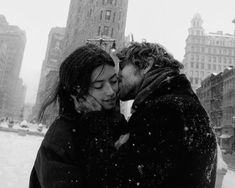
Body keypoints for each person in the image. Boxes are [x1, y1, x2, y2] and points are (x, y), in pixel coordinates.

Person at [115, 42, 217, 187]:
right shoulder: (181, 104)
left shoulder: (164, 111)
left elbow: (130, 180)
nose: (118, 74)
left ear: (146, 65)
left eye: (122, 66)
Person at [29, 44, 128, 188]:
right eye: (99, 86)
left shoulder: (118, 123)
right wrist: (96, 125)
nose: (111, 91)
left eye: (113, 81)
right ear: (78, 91)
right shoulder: (60, 138)